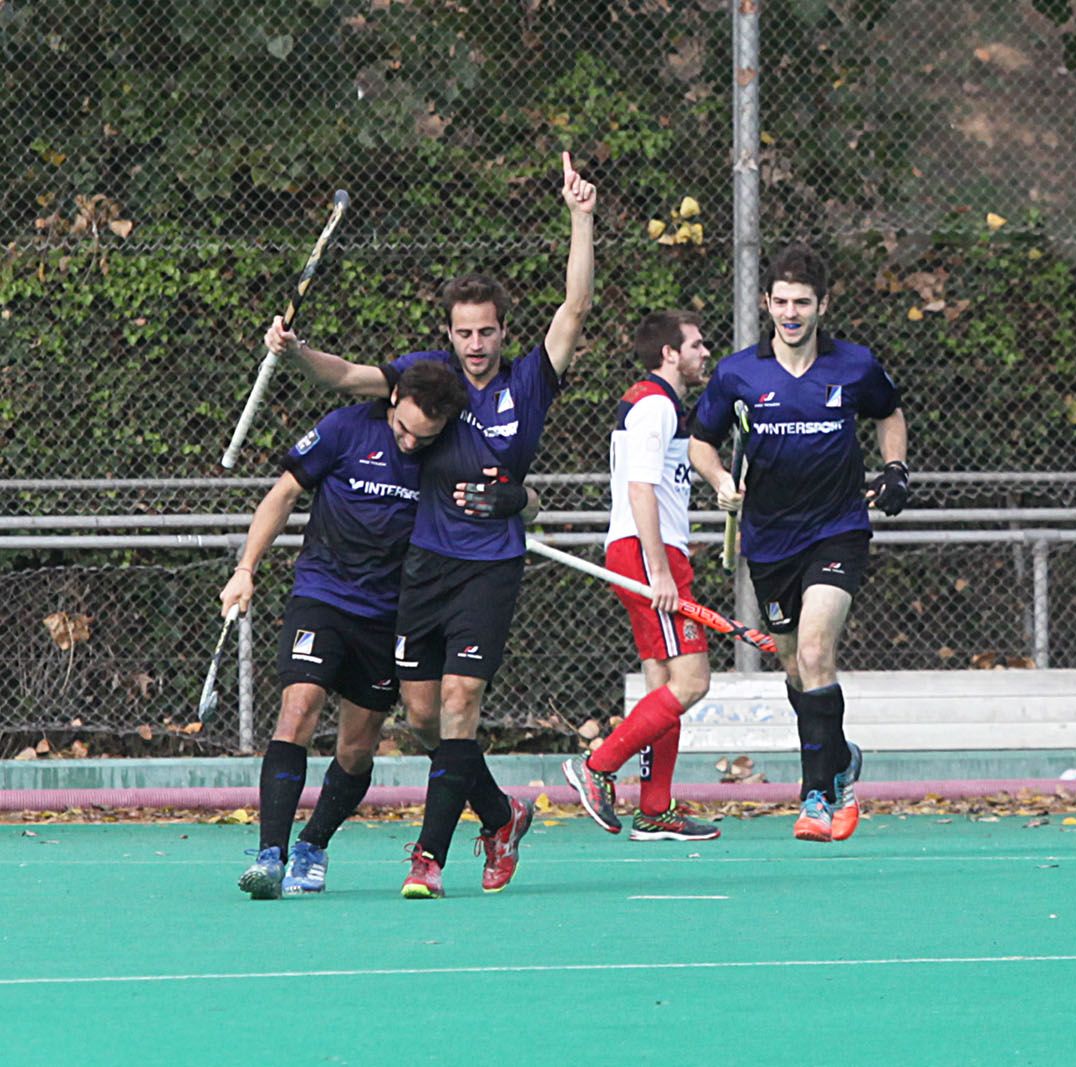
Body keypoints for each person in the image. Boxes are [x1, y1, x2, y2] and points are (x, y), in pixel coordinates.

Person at [266, 153, 596, 897]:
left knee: (457, 705)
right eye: (463, 331)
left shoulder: (528, 383)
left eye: (486, 331)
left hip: (490, 569)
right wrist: (293, 352)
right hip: (424, 568)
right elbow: (347, 377)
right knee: (420, 716)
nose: (475, 343)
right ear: (448, 333)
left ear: (503, 331)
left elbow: (574, 310)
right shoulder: (431, 379)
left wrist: (581, 216)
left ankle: (429, 857)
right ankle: (501, 813)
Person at [688, 243, 909, 843]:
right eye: (781, 302)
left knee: (814, 651)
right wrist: (719, 481)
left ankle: (816, 795)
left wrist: (895, 470)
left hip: (838, 527)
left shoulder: (854, 366)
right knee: (793, 666)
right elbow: (700, 443)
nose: (790, 313)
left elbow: (890, 414)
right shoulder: (738, 373)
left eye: (802, 303)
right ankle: (838, 758)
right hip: (769, 539)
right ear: (766, 303)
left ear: (822, 305)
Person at [229, 362, 467, 899]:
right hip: (323, 596)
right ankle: (270, 855)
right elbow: (282, 495)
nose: (408, 443)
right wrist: (246, 568)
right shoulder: (343, 429)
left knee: (357, 749)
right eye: (401, 429)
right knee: (299, 707)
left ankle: (313, 846)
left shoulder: (449, 453)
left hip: (390, 617)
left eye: (421, 437)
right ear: (393, 399)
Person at [562, 310, 720, 843]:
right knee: (692, 681)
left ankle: (655, 808)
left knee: (662, 684)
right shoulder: (654, 406)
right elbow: (640, 490)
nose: (704, 353)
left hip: (643, 552)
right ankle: (598, 766)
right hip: (648, 556)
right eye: (696, 345)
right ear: (669, 354)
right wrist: (660, 571)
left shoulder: (658, 404)